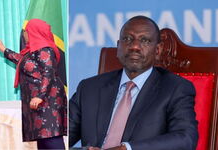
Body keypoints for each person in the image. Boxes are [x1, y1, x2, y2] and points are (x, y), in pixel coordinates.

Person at [69, 16, 198, 150]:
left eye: (145, 40)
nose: (135, 47)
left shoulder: (175, 88)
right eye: (127, 39)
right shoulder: (89, 88)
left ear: (158, 50)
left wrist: (127, 148)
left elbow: (185, 138)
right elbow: (60, 137)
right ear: (118, 46)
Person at [0, 18, 67, 149]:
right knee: (43, 141)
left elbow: (48, 73)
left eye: (26, 31)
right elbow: (23, 61)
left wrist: (40, 96)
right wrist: (3, 49)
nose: (24, 34)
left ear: (34, 32)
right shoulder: (32, 51)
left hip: (47, 102)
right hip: (39, 104)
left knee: (51, 139)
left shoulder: (46, 49)